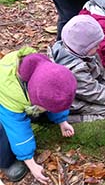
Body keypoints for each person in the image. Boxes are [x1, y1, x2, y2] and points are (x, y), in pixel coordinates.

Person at [0, 47, 77, 184]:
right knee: (5, 132)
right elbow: (17, 127)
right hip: (4, 103)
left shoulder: (47, 73)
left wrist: (62, 121)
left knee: (46, 106)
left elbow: (55, 95)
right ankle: (5, 161)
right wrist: (30, 162)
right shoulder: (12, 93)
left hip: (30, 97)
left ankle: (40, 114)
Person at [48, 15, 105, 123]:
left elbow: (98, 68)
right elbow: (91, 91)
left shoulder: (79, 50)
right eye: (95, 46)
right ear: (83, 47)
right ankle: (66, 120)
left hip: (83, 93)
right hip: (72, 103)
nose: (98, 48)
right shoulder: (74, 69)